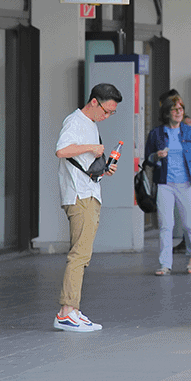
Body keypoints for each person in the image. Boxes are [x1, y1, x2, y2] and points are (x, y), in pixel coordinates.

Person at [52, 83, 122, 332]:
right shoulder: (75, 121)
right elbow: (61, 150)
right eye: (106, 110)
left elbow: (80, 160)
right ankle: (66, 311)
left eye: (112, 113)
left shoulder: (90, 125)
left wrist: (104, 169)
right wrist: (91, 148)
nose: (107, 116)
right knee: (79, 254)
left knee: (83, 254)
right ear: (94, 102)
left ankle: (73, 309)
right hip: (79, 194)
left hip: (90, 191)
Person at [146, 94, 191, 275]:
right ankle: (165, 264)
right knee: (166, 224)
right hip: (165, 183)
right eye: (175, 109)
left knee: (189, 224)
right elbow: (147, 160)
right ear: (166, 112)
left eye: (181, 108)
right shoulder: (156, 134)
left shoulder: (190, 131)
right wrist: (156, 156)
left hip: (188, 183)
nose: (179, 112)